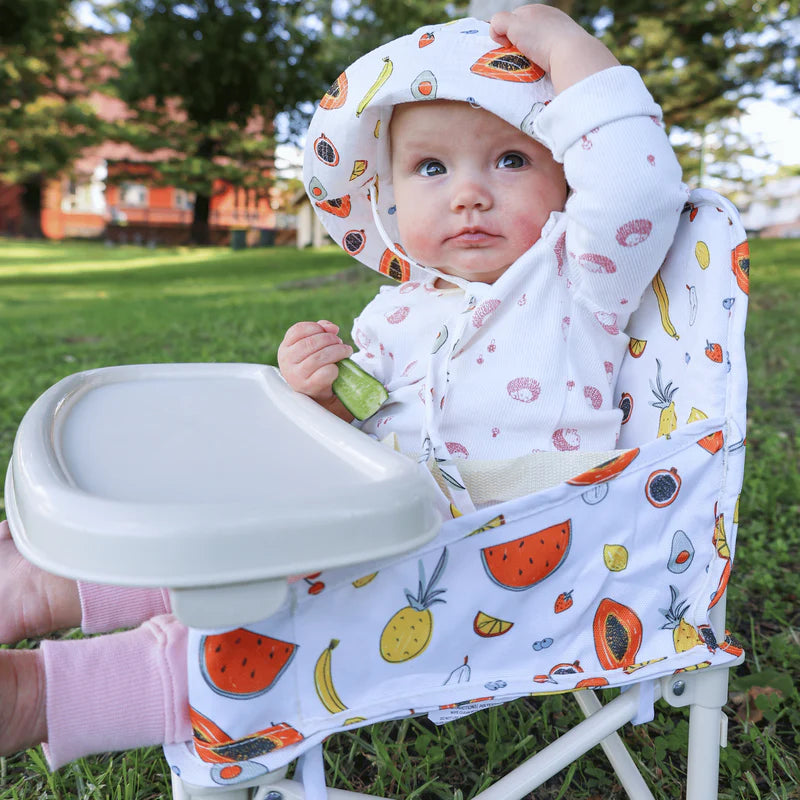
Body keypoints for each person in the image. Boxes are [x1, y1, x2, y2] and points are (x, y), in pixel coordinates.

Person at [0, 5, 686, 769]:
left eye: (511, 160)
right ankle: (47, 586)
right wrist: (320, 394)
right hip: (356, 523)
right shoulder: (397, 310)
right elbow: (358, 422)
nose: (467, 194)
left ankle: (39, 695)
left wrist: (566, 46)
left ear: (569, 177)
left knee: (276, 626)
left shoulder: (579, 283)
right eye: (432, 168)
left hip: (491, 557)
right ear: (387, 199)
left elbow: (634, 183)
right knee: (235, 524)